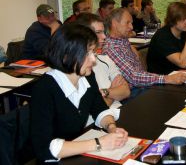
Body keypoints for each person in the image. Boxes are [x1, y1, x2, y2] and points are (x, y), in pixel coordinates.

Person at [30, 23, 128, 163]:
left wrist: (112, 128)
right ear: (65, 55)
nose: (93, 60)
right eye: (87, 53)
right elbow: (44, 148)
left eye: (93, 52)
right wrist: (99, 143)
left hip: (76, 154)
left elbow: (99, 108)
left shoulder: (86, 76)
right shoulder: (45, 89)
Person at [103, 8, 186, 88]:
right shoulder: (111, 48)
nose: (131, 27)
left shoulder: (123, 41)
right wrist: (167, 78)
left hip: (143, 85)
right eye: (127, 23)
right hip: (133, 93)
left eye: (131, 23)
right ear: (114, 23)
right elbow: (133, 77)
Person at [76, 13, 130, 108]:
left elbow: (126, 91)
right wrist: (113, 92)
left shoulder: (105, 59)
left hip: (119, 112)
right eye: (98, 32)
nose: (104, 36)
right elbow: (94, 108)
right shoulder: (78, 67)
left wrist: (105, 92)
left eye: (103, 32)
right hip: (98, 120)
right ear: (84, 35)